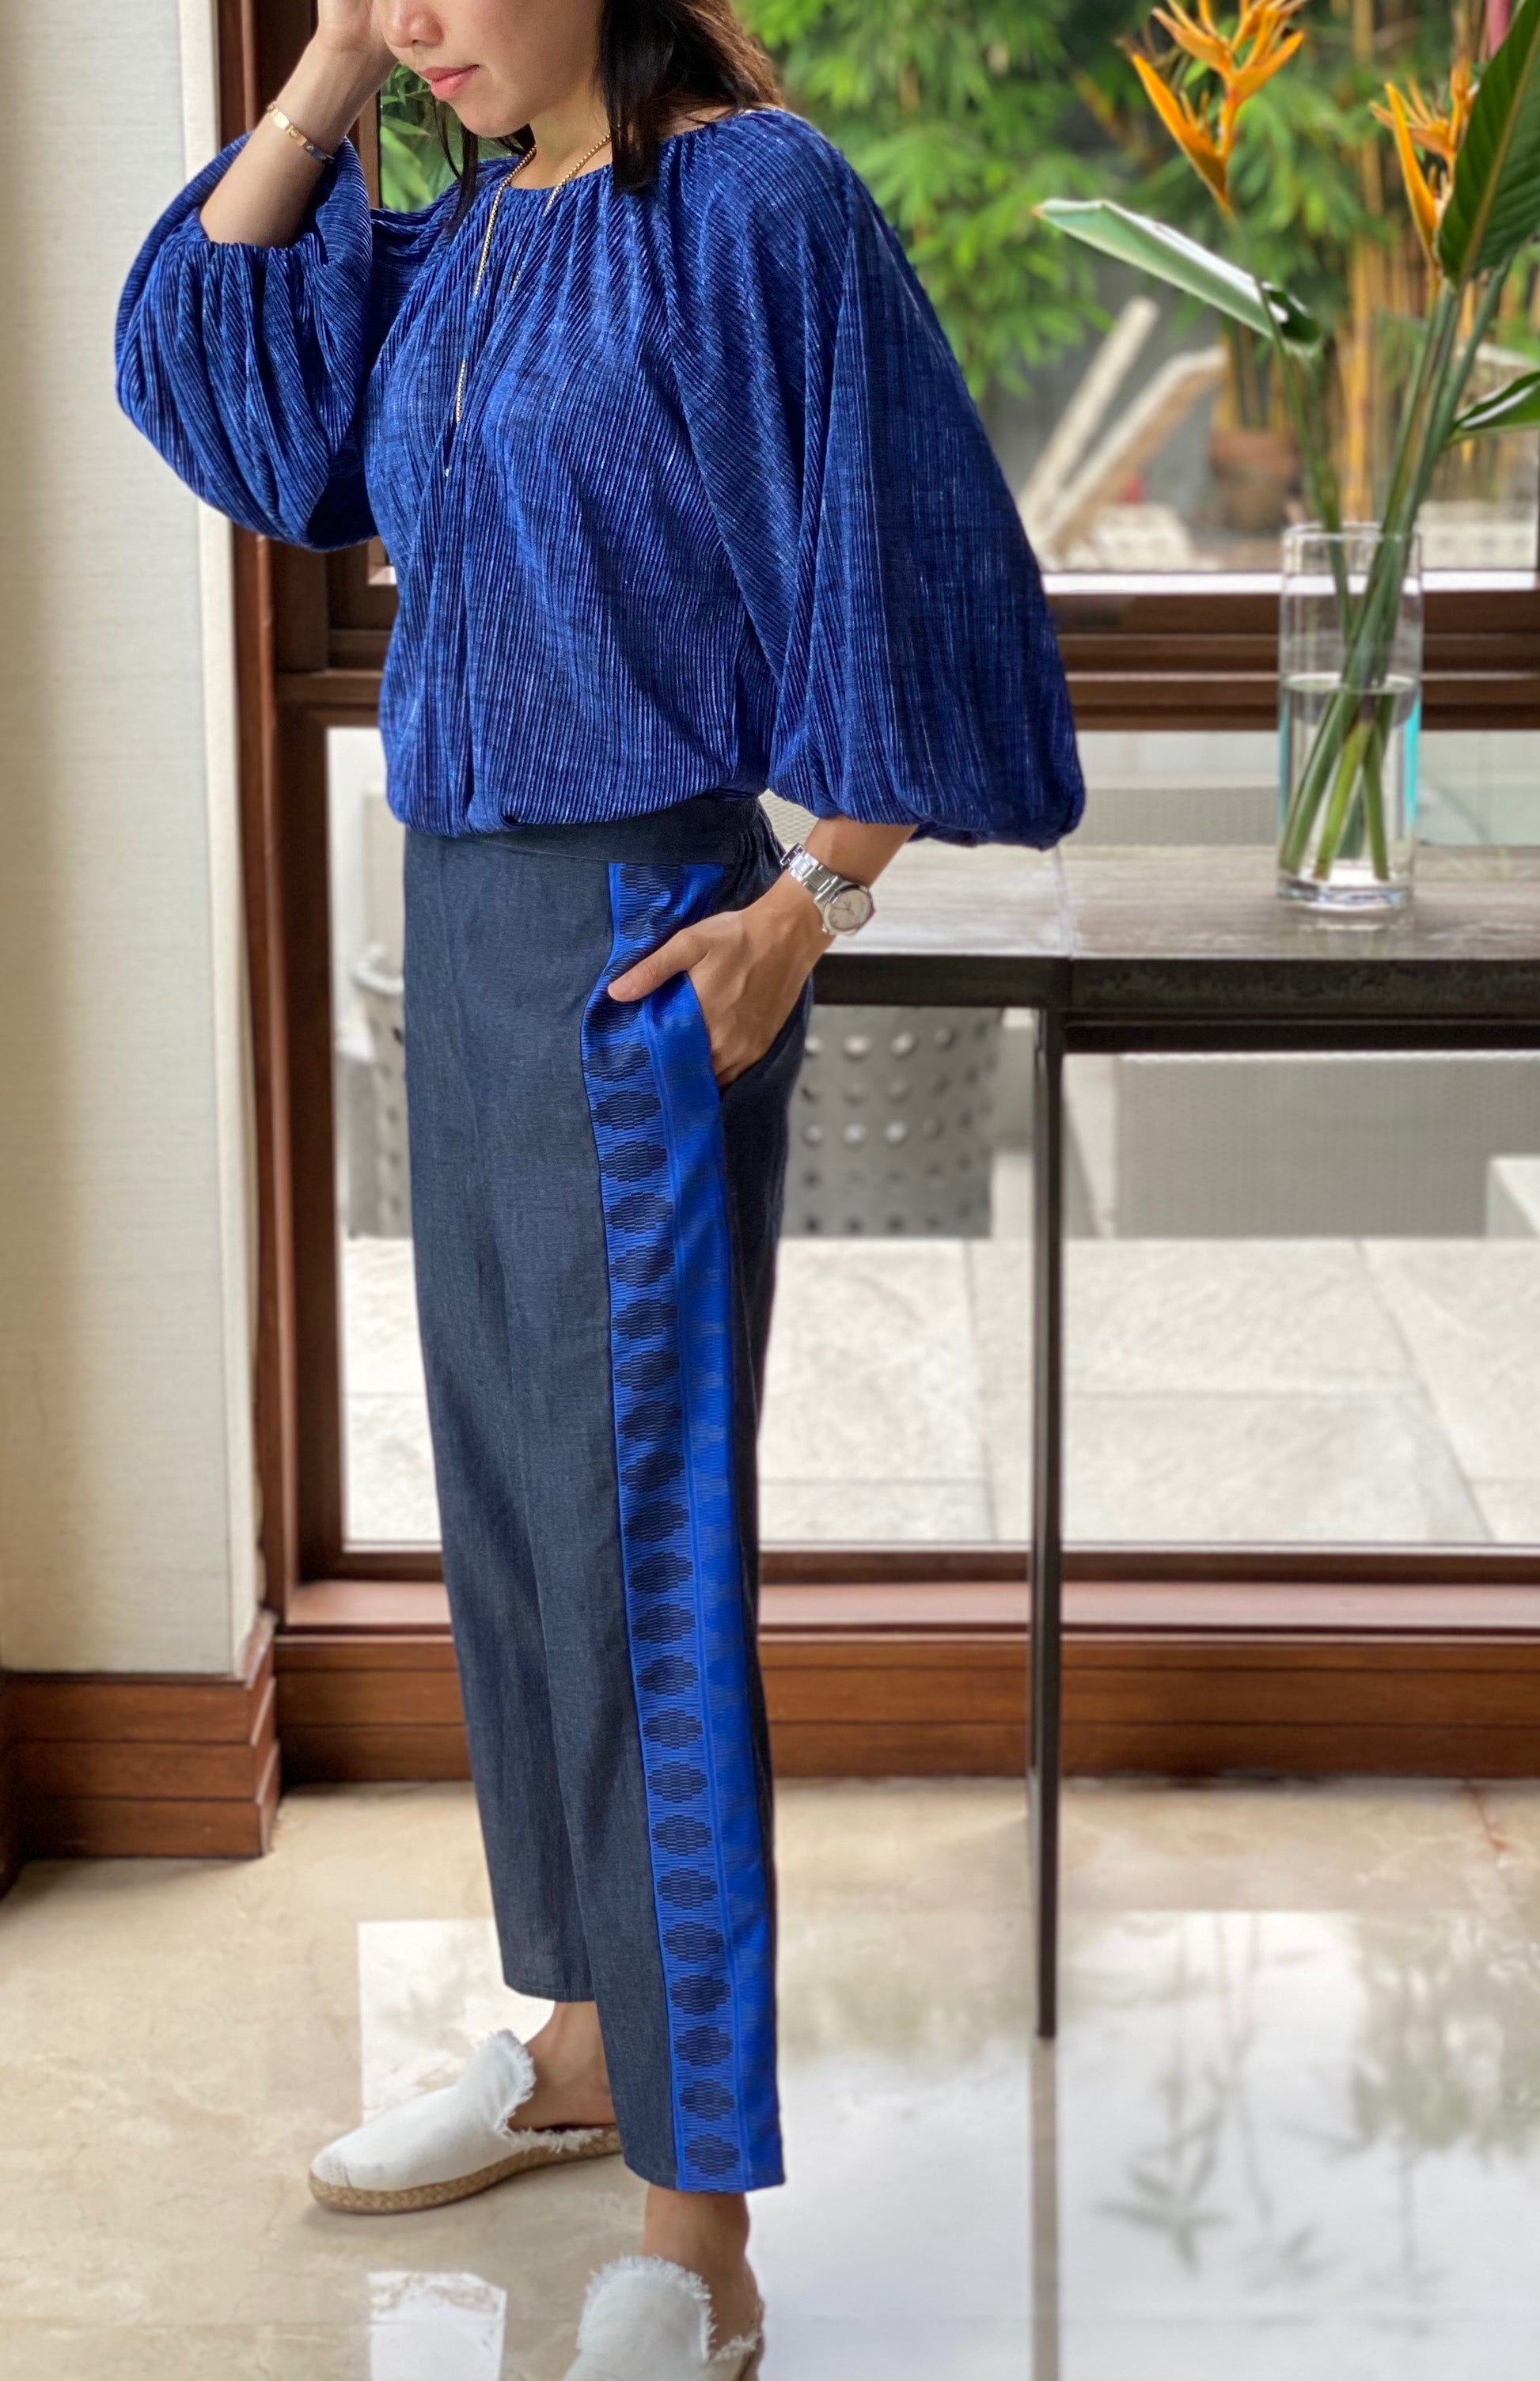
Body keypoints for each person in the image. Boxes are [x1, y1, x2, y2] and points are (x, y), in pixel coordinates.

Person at [116, 0, 1083, 2371]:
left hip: (645, 932)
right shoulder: (461, 234)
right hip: (459, 925)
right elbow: (211, 382)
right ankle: (575, 2048)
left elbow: (905, 554)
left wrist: (809, 903)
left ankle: (699, 2217)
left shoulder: (750, 202)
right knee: (520, 1526)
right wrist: (331, 71)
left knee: (640, 1555)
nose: (414, 15)